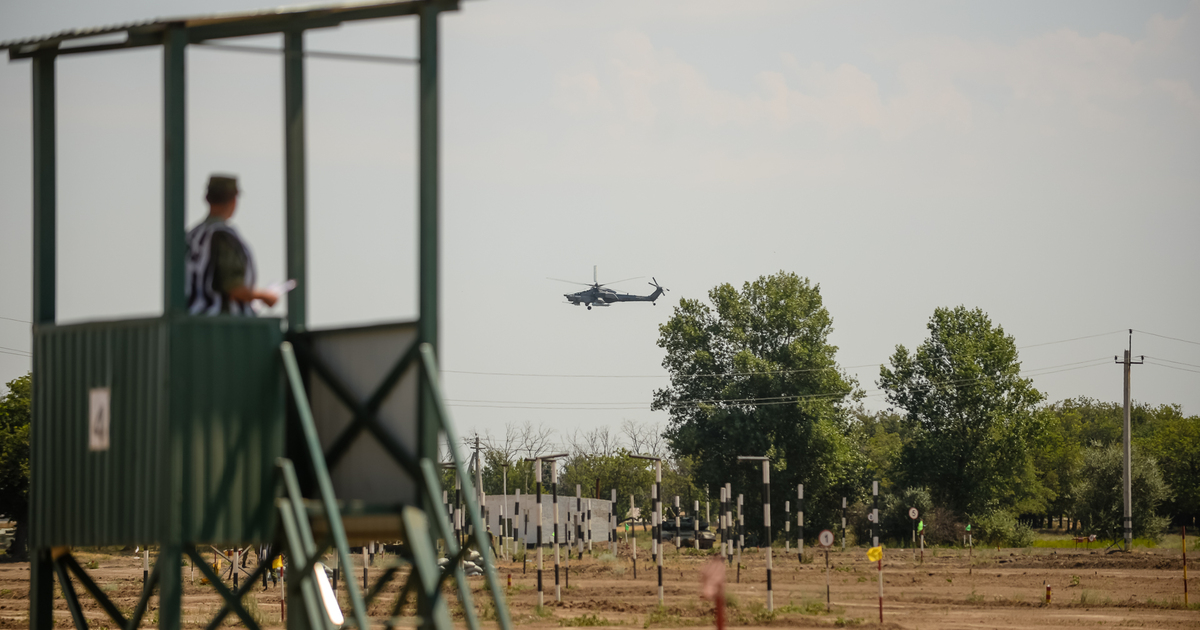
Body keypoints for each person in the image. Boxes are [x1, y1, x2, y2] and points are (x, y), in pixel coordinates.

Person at [185, 175, 278, 315]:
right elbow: (234, 288)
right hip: (223, 326)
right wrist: (265, 296)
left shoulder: (191, 235)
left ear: (207, 199)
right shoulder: (223, 236)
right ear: (234, 200)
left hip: (192, 320)